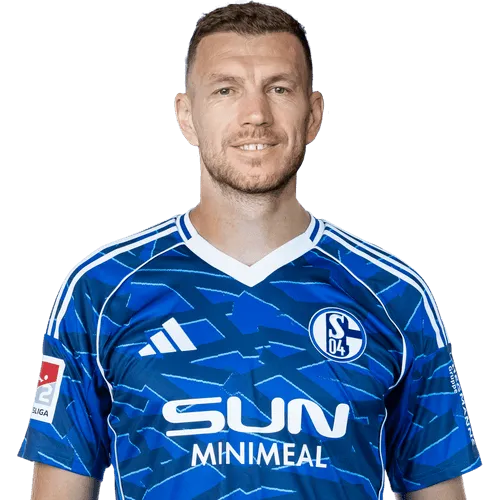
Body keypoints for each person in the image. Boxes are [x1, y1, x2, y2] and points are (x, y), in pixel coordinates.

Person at [19, 2, 481, 499]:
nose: (256, 114)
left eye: (279, 89)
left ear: (314, 115)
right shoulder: (102, 290)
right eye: (226, 90)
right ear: (186, 116)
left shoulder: (393, 295)